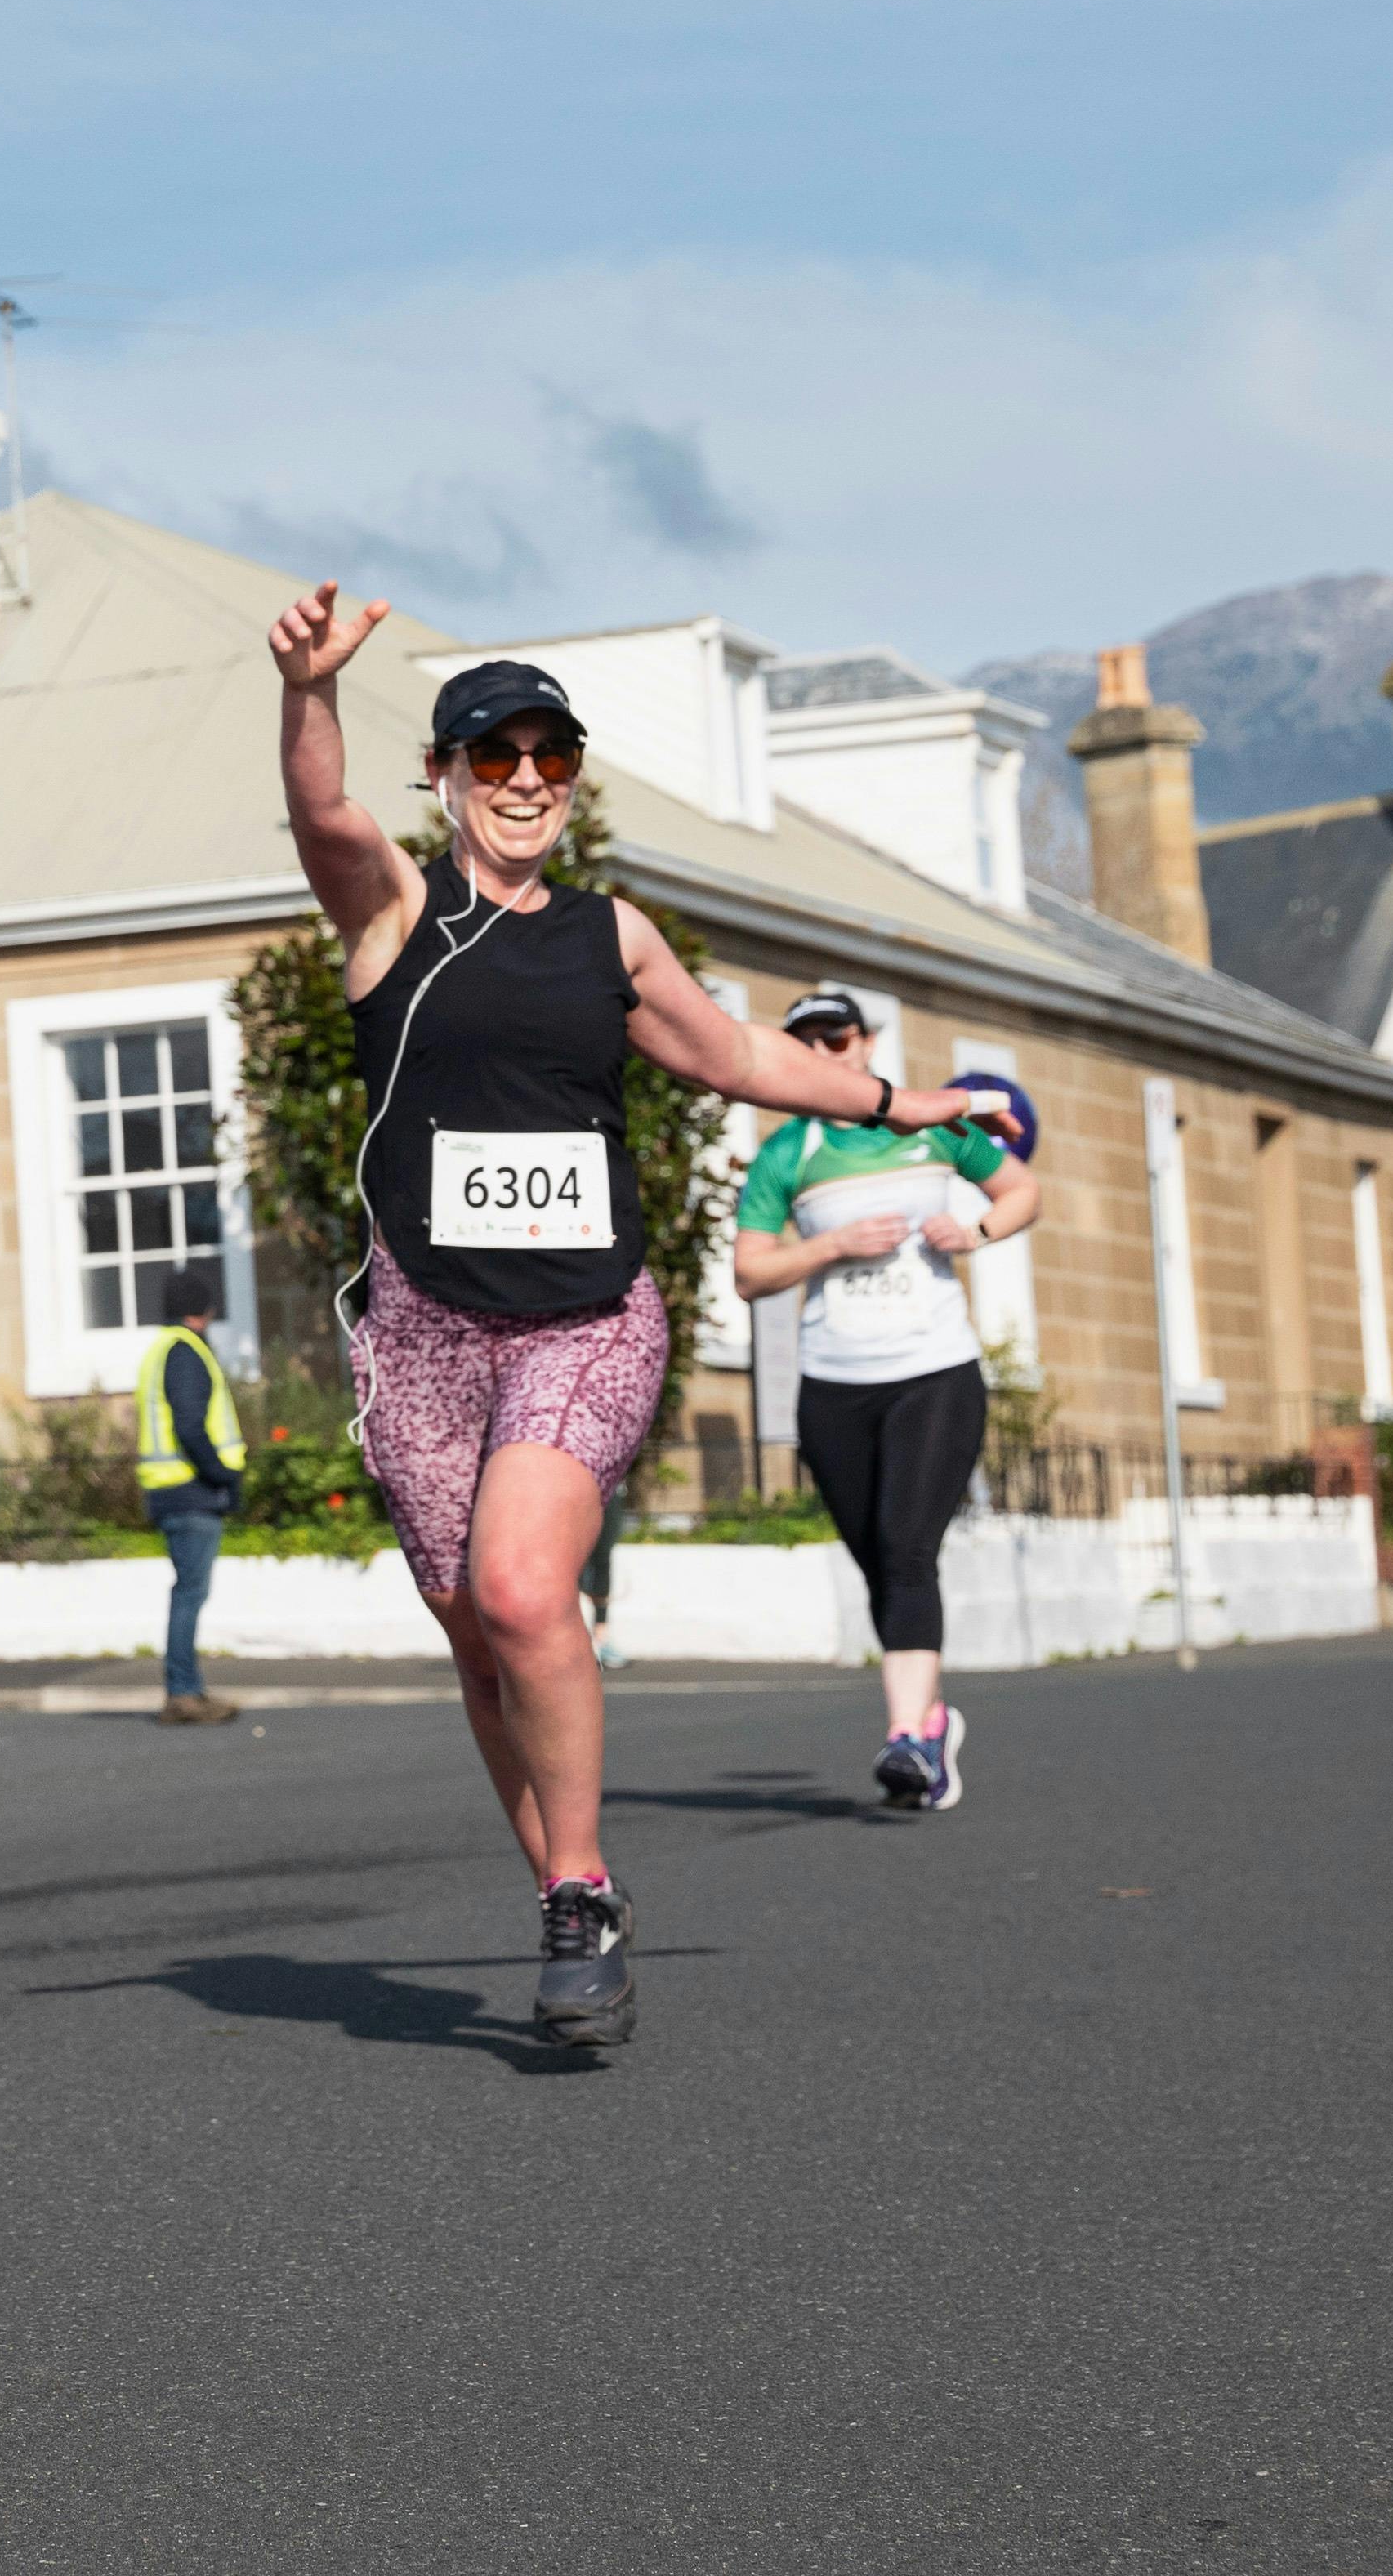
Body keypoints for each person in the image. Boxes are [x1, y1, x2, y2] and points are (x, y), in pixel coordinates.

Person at [270, 605, 1002, 2047]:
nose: (527, 776)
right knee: (476, 1632)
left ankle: (581, 1891)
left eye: (552, 752)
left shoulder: (612, 936)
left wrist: (894, 1104)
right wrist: (306, 693)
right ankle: (558, 1879)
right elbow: (320, 807)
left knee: (529, 1592)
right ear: (449, 774)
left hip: (585, 1319)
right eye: (498, 754)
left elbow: (733, 1055)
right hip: (420, 1331)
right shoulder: (393, 915)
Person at [726, 989, 1038, 1812]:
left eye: (836, 1037)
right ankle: (931, 1718)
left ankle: (906, 1740)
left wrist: (972, 1235)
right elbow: (750, 1271)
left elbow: (1022, 1192)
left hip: (933, 1369)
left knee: (906, 1546)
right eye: (805, 1042)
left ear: (867, 1043)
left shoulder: (932, 1126)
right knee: (876, 1555)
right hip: (834, 1383)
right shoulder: (788, 1152)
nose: (823, 1052)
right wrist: (829, 1244)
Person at [132, 1261, 248, 1725]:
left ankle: (187, 1690)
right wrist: (223, 1474)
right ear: (203, 1310)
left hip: (173, 1491)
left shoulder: (163, 1348)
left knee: (188, 1593)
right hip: (190, 1492)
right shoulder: (186, 1351)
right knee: (189, 1595)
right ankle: (182, 1693)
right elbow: (190, 1425)